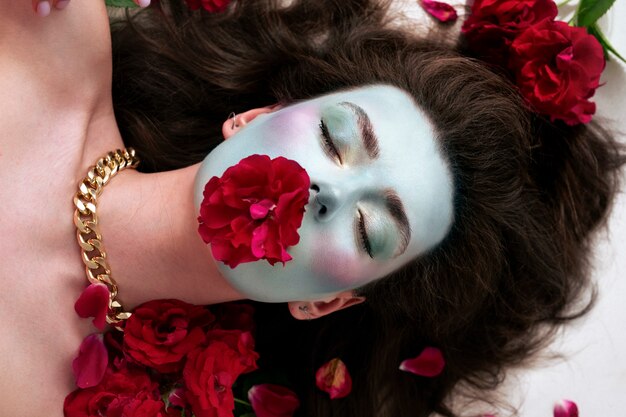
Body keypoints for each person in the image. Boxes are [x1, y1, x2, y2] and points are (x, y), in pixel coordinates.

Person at [0, 1, 623, 417]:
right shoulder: (48, 35)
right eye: (336, 139)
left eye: (370, 229)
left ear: (324, 302)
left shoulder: (58, 402)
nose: (330, 190)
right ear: (255, 118)